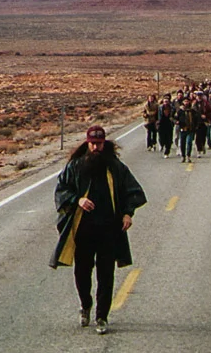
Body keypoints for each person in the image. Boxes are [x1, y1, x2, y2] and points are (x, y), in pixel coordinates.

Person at [51, 126, 147, 335]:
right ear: (87, 143)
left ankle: (102, 316)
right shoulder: (75, 166)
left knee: (106, 274)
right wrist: (78, 200)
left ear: (104, 143)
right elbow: (61, 190)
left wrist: (127, 213)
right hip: (83, 230)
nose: (96, 147)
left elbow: (133, 191)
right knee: (82, 272)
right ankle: (85, 305)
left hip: (108, 230)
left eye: (99, 144)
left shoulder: (115, 167)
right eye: (92, 144)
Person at [176, 97, 199, 162]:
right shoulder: (180, 111)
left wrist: (196, 126)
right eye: (185, 101)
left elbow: (196, 119)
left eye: (187, 101)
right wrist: (177, 122)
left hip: (190, 129)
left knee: (189, 142)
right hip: (183, 129)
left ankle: (188, 156)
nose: (186, 103)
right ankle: (183, 156)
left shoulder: (192, 111)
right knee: (182, 143)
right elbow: (175, 118)